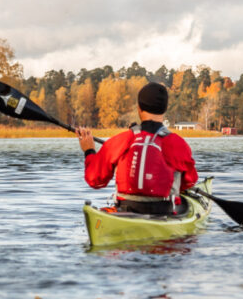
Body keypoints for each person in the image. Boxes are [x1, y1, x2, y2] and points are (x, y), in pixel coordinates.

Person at [76, 81, 199, 215]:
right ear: (165, 109)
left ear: (139, 108)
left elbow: (95, 180)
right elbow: (190, 181)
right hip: (163, 213)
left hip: (125, 210)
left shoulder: (120, 140)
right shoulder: (178, 144)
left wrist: (89, 151)